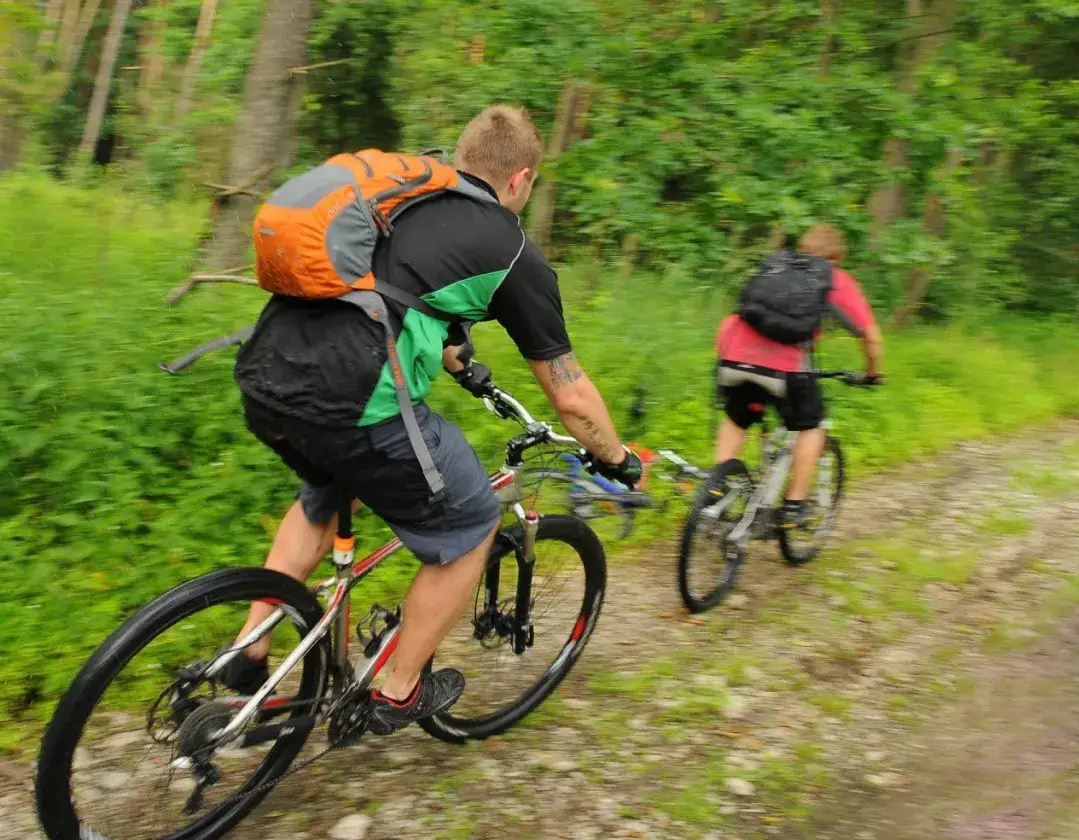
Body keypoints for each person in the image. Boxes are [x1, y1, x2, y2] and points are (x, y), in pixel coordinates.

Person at [229, 106, 641, 735]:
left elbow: (398, 296)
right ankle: (398, 692)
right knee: (473, 523)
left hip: (268, 372)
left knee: (324, 500)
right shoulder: (512, 249)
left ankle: (247, 653)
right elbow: (572, 398)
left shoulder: (404, 200)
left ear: (462, 156)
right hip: (357, 399)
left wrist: (459, 362)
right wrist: (616, 458)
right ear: (521, 179)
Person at [713, 224, 882, 528]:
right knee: (812, 425)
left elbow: (737, 314)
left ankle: (715, 488)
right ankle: (795, 504)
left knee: (736, 418)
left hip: (732, 358)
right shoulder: (834, 278)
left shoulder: (774, 266)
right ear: (838, 257)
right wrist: (872, 373)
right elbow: (870, 337)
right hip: (784, 370)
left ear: (801, 247)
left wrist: (727, 357)